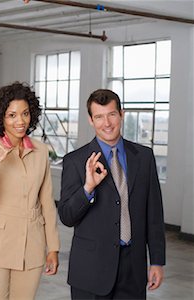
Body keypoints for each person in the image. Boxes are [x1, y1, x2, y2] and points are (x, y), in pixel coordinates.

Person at [58, 89, 166, 299]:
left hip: (133, 270)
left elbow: (154, 214)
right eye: (99, 116)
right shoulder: (75, 161)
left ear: (121, 114)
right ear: (91, 120)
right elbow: (67, 216)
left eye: (111, 114)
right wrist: (88, 188)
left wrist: (157, 261)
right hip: (91, 271)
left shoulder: (144, 157)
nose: (106, 123)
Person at [0, 82, 60, 299]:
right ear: (0, 117)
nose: (20, 121)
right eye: (11, 115)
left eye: (25, 114)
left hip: (32, 247)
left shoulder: (40, 152)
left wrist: (53, 247)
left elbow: (47, 202)